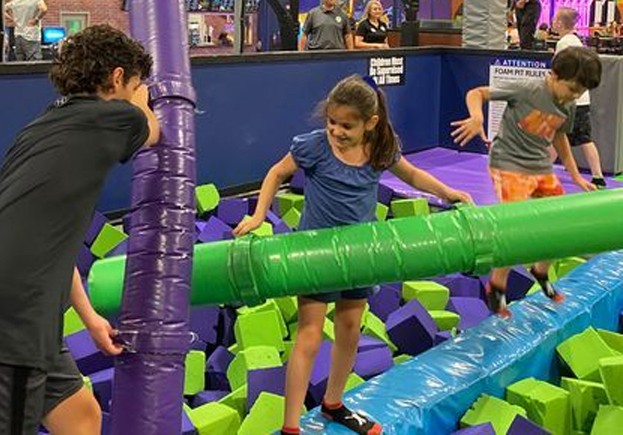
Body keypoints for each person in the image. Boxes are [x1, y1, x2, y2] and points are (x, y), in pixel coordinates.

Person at [0, 25, 160, 435]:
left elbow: (51, 241)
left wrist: (91, 318)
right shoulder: (110, 116)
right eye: (134, 83)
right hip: (10, 314)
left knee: (81, 413)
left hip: (9, 299)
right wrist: (144, 101)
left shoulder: (47, 124)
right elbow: (155, 130)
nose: (135, 92)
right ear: (117, 78)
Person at [234, 75, 472, 435]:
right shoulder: (314, 147)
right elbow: (276, 172)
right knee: (310, 335)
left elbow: (412, 175)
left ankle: (334, 403)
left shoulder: (379, 149)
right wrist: (256, 215)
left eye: (347, 125)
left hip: (360, 254)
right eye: (332, 122)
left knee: (348, 330)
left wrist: (448, 192)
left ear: (370, 123)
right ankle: (291, 426)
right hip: (316, 255)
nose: (336, 131)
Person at [451, 46, 601, 318]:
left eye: (580, 93)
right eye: (572, 89)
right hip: (507, 164)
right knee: (516, 227)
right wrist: (477, 117)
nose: (574, 96)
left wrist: (576, 175)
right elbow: (477, 93)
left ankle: (540, 271)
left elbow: (559, 137)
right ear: (554, 75)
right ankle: (496, 288)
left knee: (562, 219)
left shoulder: (567, 102)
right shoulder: (528, 89)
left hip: (539, 166)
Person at [551, 7, 607, 188]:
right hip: (582, 100)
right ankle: (598, 176)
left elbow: (560, 73)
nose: (552, 22)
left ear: (559, 23)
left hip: (569, 100)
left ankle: (543, 172)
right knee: (584, 138)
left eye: (554, 20)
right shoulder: (577, 42)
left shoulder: (563, 44)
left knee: (555, 135)